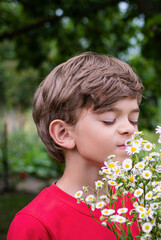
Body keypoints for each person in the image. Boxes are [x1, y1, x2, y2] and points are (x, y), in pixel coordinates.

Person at [8, 52, 144, 239]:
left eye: (133, 119)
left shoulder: (141, 203)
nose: (129, 128)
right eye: (109, 120)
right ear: (63, 133)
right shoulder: (35, 224)